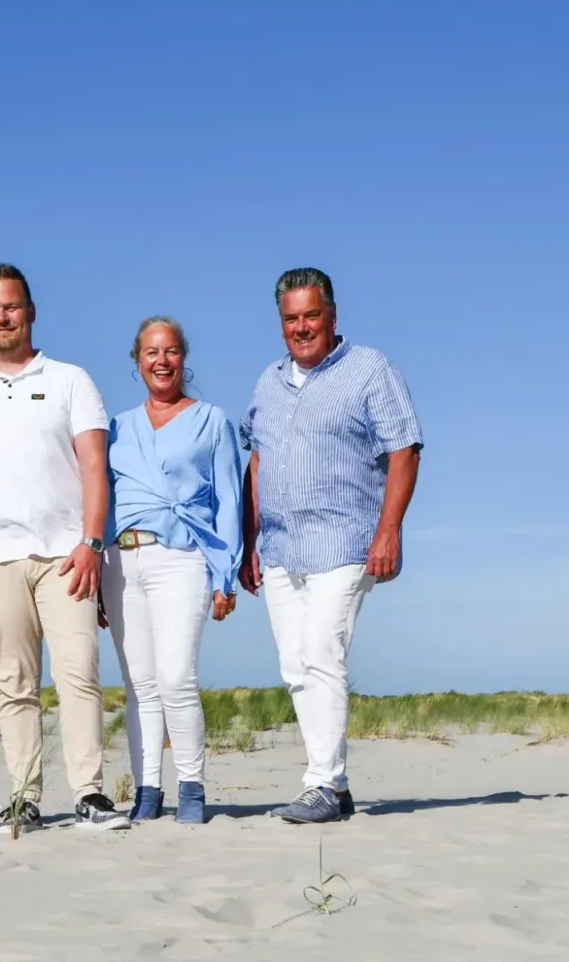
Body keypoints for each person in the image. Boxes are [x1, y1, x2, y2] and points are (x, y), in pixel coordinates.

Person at [0, 263, 131, 833]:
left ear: (30, 311)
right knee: (14, 685)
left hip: (67, 555)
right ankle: (24, 797)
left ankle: (90, 793)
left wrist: (92, 541)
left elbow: (96, 468)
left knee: (78, 674)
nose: (3, 317)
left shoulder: (70, 380)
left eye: (12, 306)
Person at [239, 268, 423, 824]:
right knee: (295, 665)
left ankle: (323, 783)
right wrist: (249, 541)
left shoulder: (369, 369)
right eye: (291, 319)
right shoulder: (267, 382)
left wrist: (389, 530)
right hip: (278, 546)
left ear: (333, 316)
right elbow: (257, 461)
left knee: (323, 652)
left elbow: (405, 448)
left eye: (311, 316)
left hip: (344, 540)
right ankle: (333, 788)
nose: (301, 328)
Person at [102, 316, 242, 824]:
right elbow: (105, 499)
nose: (161, 361)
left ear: (183, 357)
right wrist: (98, 570)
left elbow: (229, 498)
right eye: (151, 353)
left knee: (177, 676)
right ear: (137, 361)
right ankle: (146, 790)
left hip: (182, 557)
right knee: (138, 682)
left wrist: (227, 575)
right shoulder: (117, 426)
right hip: (120, 560)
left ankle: (191, 786)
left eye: (171, 351)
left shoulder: (212, 420)